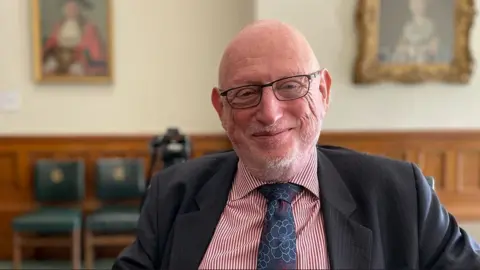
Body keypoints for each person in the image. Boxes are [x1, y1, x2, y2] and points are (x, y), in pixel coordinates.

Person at [112, 20, 480, 269]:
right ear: (220, 109)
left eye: (290, 86)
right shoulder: (172, 195)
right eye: (245, 93)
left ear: (323, 92)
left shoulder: (400, 193)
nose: (269, 114)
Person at [42, 0, 106, 76]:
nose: (71, 9)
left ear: (79, 9)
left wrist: (82, 61)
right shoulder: (58, 26)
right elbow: (50, 44)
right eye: (68, 6)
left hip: (80, 63)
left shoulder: (89, 28)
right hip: (58, 61)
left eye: (74, 7)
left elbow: (94, 52)